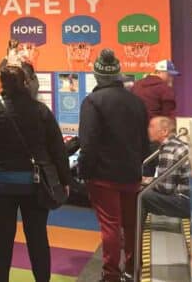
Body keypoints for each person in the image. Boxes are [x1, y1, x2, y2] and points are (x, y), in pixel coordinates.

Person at [0, 65, 71, 282]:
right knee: (37, 236)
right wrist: (65, 180)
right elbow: (58, 150)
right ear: (26, 82)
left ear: (2, 84)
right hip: (34, 183)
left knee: (2, 235)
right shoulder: (41, 111)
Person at [78, 49, 150, 282]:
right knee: (131, 225)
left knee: (110, 227)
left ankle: (111, 274)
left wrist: (83, 171)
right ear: (118, 74)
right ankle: (132, 269)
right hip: (131, 173)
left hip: (102, 176)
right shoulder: (137, 102)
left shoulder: (92, 101)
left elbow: (88, 143)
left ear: (97, 75)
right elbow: (144, 142)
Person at [143, 116, 190, 219]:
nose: (148, 129)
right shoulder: (177, 144)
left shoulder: (169, 148)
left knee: (141, 195)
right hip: (191, 198)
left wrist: (144, 182)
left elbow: (166, 188)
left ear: (164, 131)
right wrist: (148, 181)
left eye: (151, 126)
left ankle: (133, 233)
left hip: (186, 202)